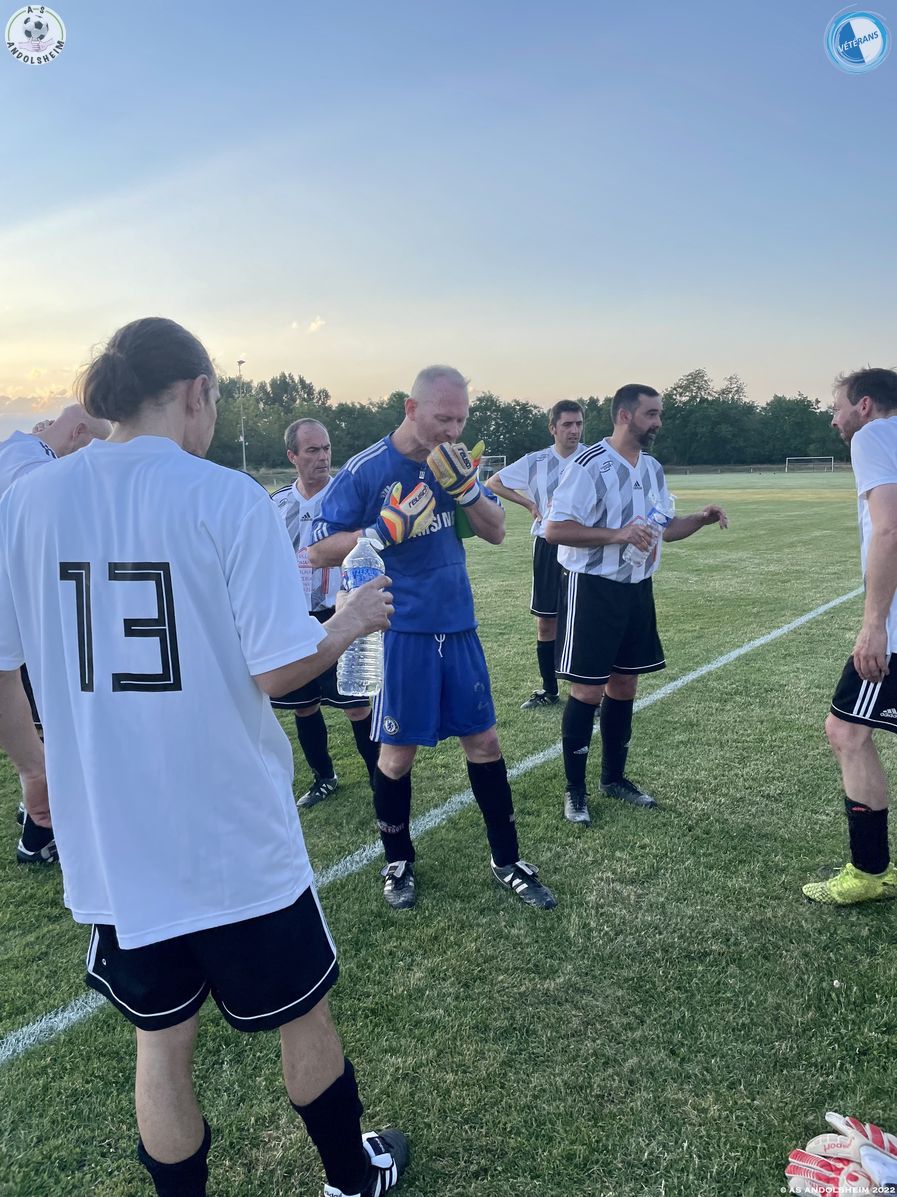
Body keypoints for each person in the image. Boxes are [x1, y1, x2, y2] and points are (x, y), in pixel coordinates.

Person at [0, 318, 407, 1197]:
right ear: (198, 392)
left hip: (112, 838)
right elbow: (278, 668)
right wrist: (348, 622)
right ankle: (350, 1180)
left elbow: (3, 667)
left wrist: (37, 771)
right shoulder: (225, 495)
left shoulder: (28, 499)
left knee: (161, 1041)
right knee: (302, 1015)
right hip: (230, 832)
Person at [309, 365, 557, 912]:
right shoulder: (368, 469)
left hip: (459, 626)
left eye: (461, 419)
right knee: (397, 756)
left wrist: (466, 488)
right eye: (444, 418)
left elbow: (496, 531)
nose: (453, 430)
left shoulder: (455, 461)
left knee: (485, 744)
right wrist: (382, 531)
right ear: (411, 408)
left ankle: (507, 859)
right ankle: (397, 860)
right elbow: (319, 549)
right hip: (402, 632)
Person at [545, 383, 728, 826]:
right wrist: (617, 534)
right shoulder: (588, 465)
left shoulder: (652, 468)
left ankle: (614, 778)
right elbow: (555, 530)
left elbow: (664, 527)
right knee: (588, 690)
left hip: (637, 589)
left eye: (659, 414)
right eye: (651, 414)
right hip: (592, 589)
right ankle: (575, 790)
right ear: (625, 416)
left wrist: (699, 520)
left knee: (625, 685)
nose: (658, 423)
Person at [0, 404, 111, 864]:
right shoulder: (35, 476)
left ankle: (37, 822)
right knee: (60, 737)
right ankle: (41, 833)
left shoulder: (17, 452)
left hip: (25, 626)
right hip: (31, 628)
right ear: (79, 432)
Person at [804, 367, 897, 905]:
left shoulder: (875, 435)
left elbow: (889, 527)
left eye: (836, 407)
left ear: (864, 405)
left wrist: (874, 624)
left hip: (896, 628)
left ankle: (870, 872)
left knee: (846, 731)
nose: (834, 419)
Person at [271, 419, 381, 807]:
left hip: (343, 611)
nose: (323, 457)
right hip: (296, 617)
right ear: (293, 456)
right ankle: (324, 777)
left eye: (327, 448)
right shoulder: (277, 505)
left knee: (356, 704)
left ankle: (380, 780)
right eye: (312, 450)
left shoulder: (346, 498)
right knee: (304, 705)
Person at [485, 400, 586, 709]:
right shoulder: (536, 461)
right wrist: (529, 504)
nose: (574, 430)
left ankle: (589, 696)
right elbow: (494, 482)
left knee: (585, 621)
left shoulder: (592, 459)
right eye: (567, 424)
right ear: (553, 428)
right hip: (547, 545)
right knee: (546, 621)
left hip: (583, 546)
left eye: (579, 424)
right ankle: (550, 690)